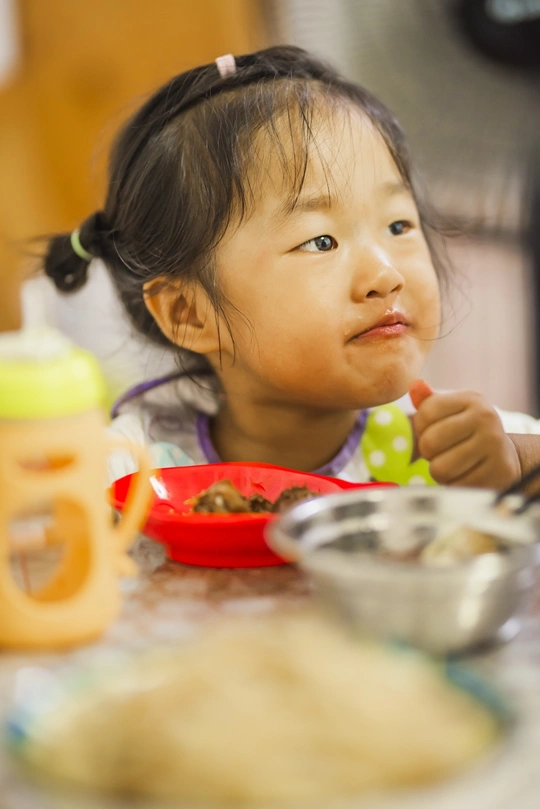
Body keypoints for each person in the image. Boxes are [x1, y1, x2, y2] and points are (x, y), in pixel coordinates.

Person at [43, 46, 540, 488]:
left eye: (398, 225)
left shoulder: (460, 445)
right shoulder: (131, 470)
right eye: (321, 241)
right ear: (188, 313)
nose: (387, 276)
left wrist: (519, 468)